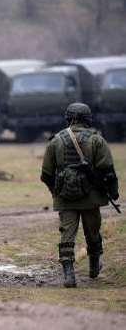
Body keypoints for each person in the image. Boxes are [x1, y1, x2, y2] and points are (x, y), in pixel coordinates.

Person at [41, 102, 120, 288]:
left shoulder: (56, 140)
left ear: (69, 118)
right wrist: (113, 192)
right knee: (92, 231)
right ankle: (94, 266)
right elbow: (108, 171)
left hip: (65, 198)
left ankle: (69, 274)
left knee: (67, 234)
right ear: (87, 118)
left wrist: (57, 192)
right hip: (91, 198)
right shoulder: (96, 140)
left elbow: (45, 174)